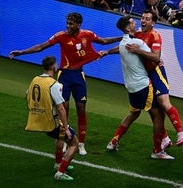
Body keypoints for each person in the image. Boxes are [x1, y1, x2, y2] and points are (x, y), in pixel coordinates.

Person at [9, 12, 122, 156]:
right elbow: (41, 47)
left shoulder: (87, 34)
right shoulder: (60, 36)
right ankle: (64, 139)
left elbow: (104, 41)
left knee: (81, 108)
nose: (68, 26)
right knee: (64, 108)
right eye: (67, 23)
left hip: (78, 76)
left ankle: (81, 143)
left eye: (71, 23)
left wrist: (122, 37)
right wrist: (21, 52)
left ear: (78, 24)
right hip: (65, 76)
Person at [107, 15, 174, 159]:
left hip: (131, 87)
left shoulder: (122, 44)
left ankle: (114, 141)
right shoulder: (137, 41)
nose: (136, 22)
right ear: (127, 27)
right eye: (132, 22)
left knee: (134, 113)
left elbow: (119, 48)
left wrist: (106, 52)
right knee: (158, 116)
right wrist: (157, 60)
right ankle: (157, 151)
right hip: (144, 85)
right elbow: (155, 57)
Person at [124, 10, 183, 149]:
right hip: (144, 75)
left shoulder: (155, 36)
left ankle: (180, 133)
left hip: (156, 72)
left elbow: (156, 58)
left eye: (147, 19)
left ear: (153, 22)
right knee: (153, 109)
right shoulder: (137, 34)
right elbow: (125, 43)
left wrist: (139, 51)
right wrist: (108, 50)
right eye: (142, 18)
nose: (143, 21)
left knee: (163, 103)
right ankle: (164, 138)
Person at [25, 56, 78, 181]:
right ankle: (60, 173)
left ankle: (58, 163)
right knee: (73, 142)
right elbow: (61, 108)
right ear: (54, 67)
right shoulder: (54, 84)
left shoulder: (35, 79)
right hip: (50, 122)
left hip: (37, 119)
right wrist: (67, 128)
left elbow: (26, 95)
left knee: (60, 137)